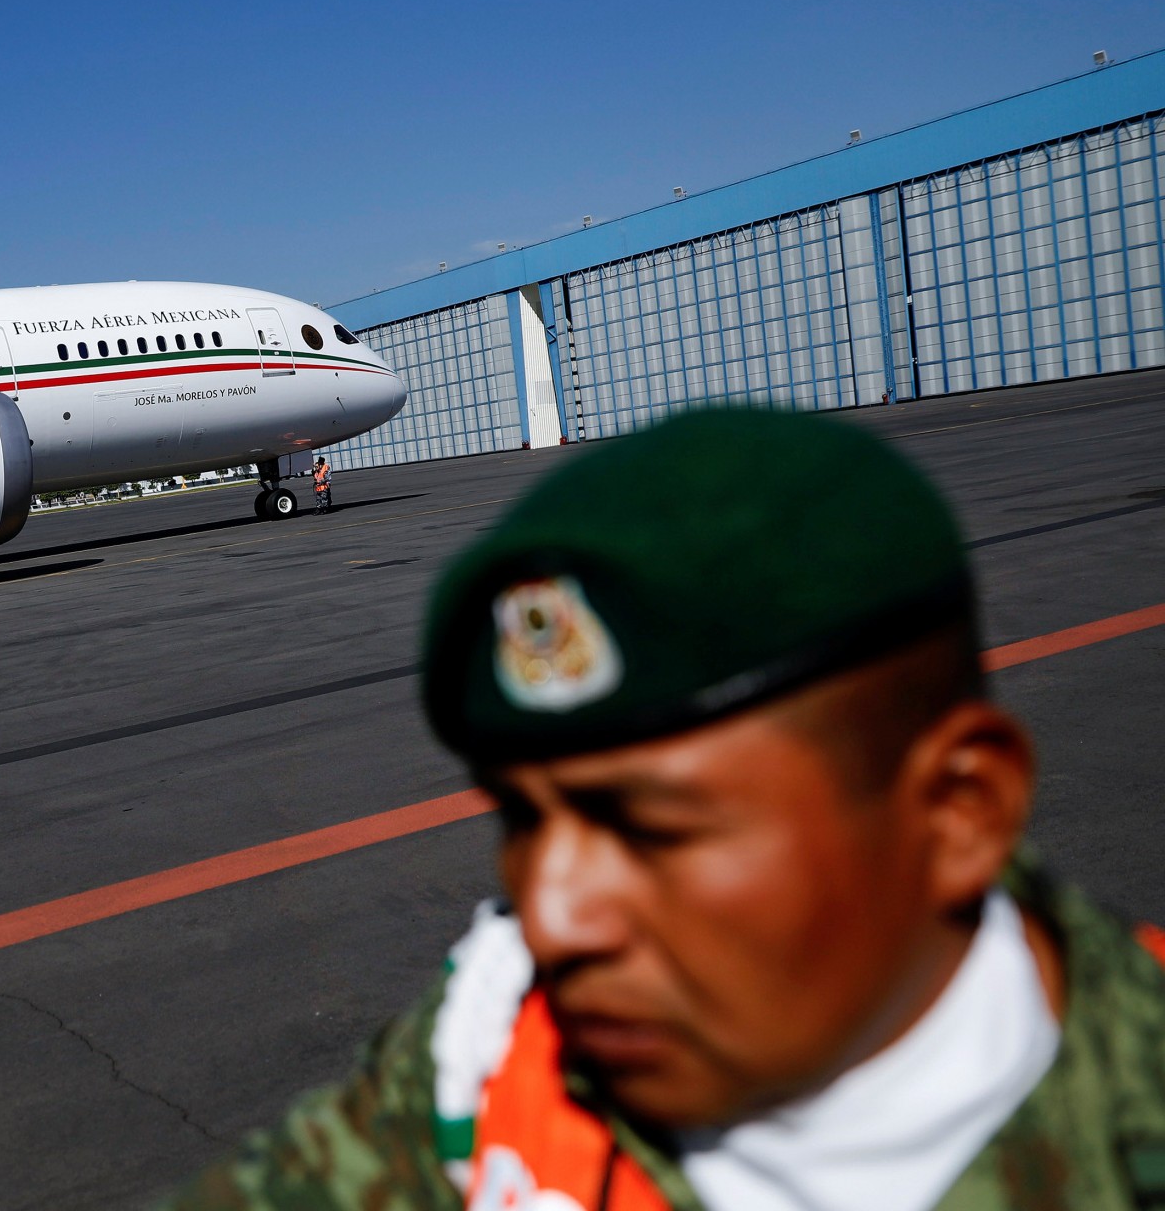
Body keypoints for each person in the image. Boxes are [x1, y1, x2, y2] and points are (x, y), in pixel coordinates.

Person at [164, 407, 1165, 1210]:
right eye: (522, 816)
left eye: (653, 827)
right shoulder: (495, 1036)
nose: (554, 913)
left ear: (960, 809)